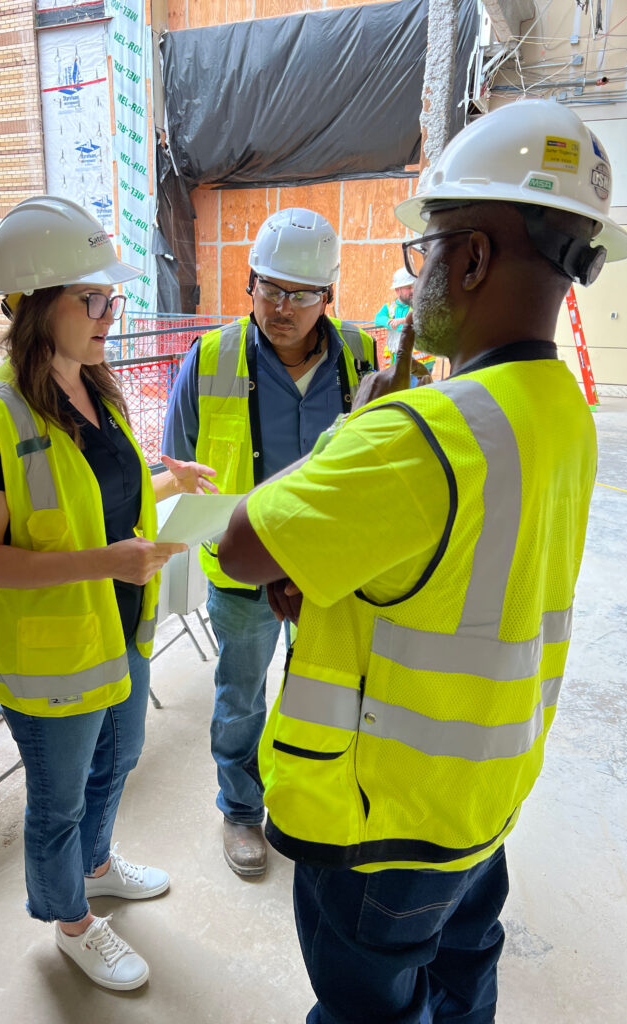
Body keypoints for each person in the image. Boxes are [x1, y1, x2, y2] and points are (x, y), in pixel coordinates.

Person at [217, 99, 627, 1022]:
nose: (423, 271)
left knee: (369, 1002)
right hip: (481, 797)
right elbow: (459, 577)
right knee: (462, 971)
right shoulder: (561, 412)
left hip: (381, 826)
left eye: (430, 248)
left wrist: (357, 427)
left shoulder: (417, 433)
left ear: (476, 256)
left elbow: (242, 547)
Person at [0, 195, 216, 992]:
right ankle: (69, 921)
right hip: (50, 658)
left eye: (110, 298)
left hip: (116, 632)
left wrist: (169, 480)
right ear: (34, 305)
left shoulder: (97, 390)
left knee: (121, 756)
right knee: (57, 801)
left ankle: (95, 867)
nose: (108, 313)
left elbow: (94, 504)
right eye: (91, 299)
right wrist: (107, 563)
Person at [161, 207, 378, 878]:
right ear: (250, 283)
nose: (281, 306)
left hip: (328, 568)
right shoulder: (212, 357)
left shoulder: (366, 358)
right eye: (268, 288)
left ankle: (309, 804)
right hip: (241, 573)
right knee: (242, 695)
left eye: (300, 293)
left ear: (328, 297)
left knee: (325, 691)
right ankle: (240, 810)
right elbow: (177, 463)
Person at [374, 265, 415, 360]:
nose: (412, 290)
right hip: (395, 361)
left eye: (414, 287)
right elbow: (378, 319)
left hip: (416, 364)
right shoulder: (389, 307)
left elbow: (422, 318)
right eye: (408, 288)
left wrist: (404, 321)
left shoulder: (419, 305)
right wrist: (391, 323)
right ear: (398, 290)